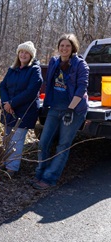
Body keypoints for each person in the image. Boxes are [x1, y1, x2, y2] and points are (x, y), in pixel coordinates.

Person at [33, 34, 89, 190]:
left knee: (63, 145)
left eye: (68, 46)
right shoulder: (55, 62)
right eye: (62, 45)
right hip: (55, 108)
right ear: (58, 47)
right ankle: (40, 173)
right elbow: (48, 83)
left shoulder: (80, 65)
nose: (64, 48)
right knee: (44, 142)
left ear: (73, 48)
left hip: (73, 110)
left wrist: (71, 109)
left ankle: (49, 178)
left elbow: (81, 88)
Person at [0, 41, 43, 177]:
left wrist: (12, 103)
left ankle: (12, 169)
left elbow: (30, 92)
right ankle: (5, 163)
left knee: (16, 140)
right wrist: (6, 103)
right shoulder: (12, 69)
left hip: (24, 111)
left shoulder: (34, 70)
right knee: (7, 138)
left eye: (26, 52)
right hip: (8, 109)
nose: (23, 55)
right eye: (21, 52)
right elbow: (2, 86)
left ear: (31, 55)